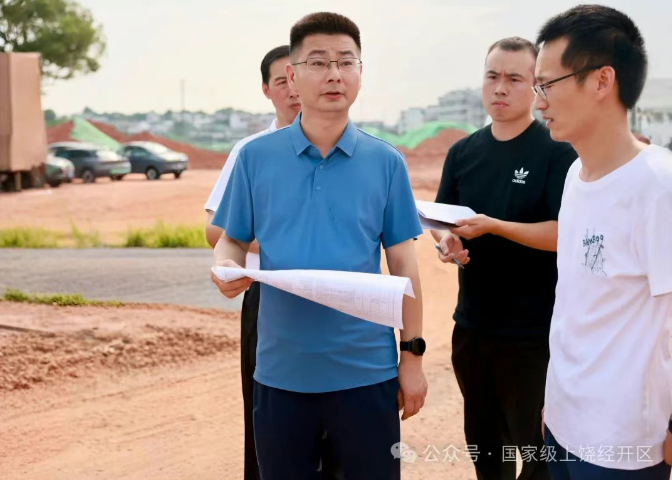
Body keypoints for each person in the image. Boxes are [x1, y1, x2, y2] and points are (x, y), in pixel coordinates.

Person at [210, 12, 427, 480]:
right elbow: (230, 239)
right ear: (292, 76)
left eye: (346, 62)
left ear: (360, 73)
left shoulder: (386, 162)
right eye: (318, 62)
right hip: (281, 373)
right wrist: (225, 266)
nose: (334, 74)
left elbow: (404, 263)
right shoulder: (254, 158)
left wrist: (412, 357)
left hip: (367, 372)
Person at [534, 5, 672, 479]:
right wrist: (555, 403)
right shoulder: (575, 174)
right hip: (563, 422)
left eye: (546, 85)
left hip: (622, 442)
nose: (538, 103)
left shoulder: (658, 186)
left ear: (601, 80)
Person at [432, 37, 577, 480]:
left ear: (536, 88)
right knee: (487, 451)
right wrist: (446, 241)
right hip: (473, 329)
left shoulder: (557, 151)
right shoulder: (462, 152)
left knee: (537, 457)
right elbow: (441, 218)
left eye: (515, 78)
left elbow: (565, 234)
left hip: (533, 337)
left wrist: (495, 226)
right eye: (492, 76)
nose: (500, 87)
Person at [204, 46, 341, 480]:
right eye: (281, 82)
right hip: (269, 295)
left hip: (338, 296)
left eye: (297, 77)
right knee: (269, 413)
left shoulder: (348, 147)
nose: (292, 90)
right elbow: (216, 230)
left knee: (341, 416)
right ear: (267, 90)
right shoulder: (250, 151)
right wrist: (283, 247)